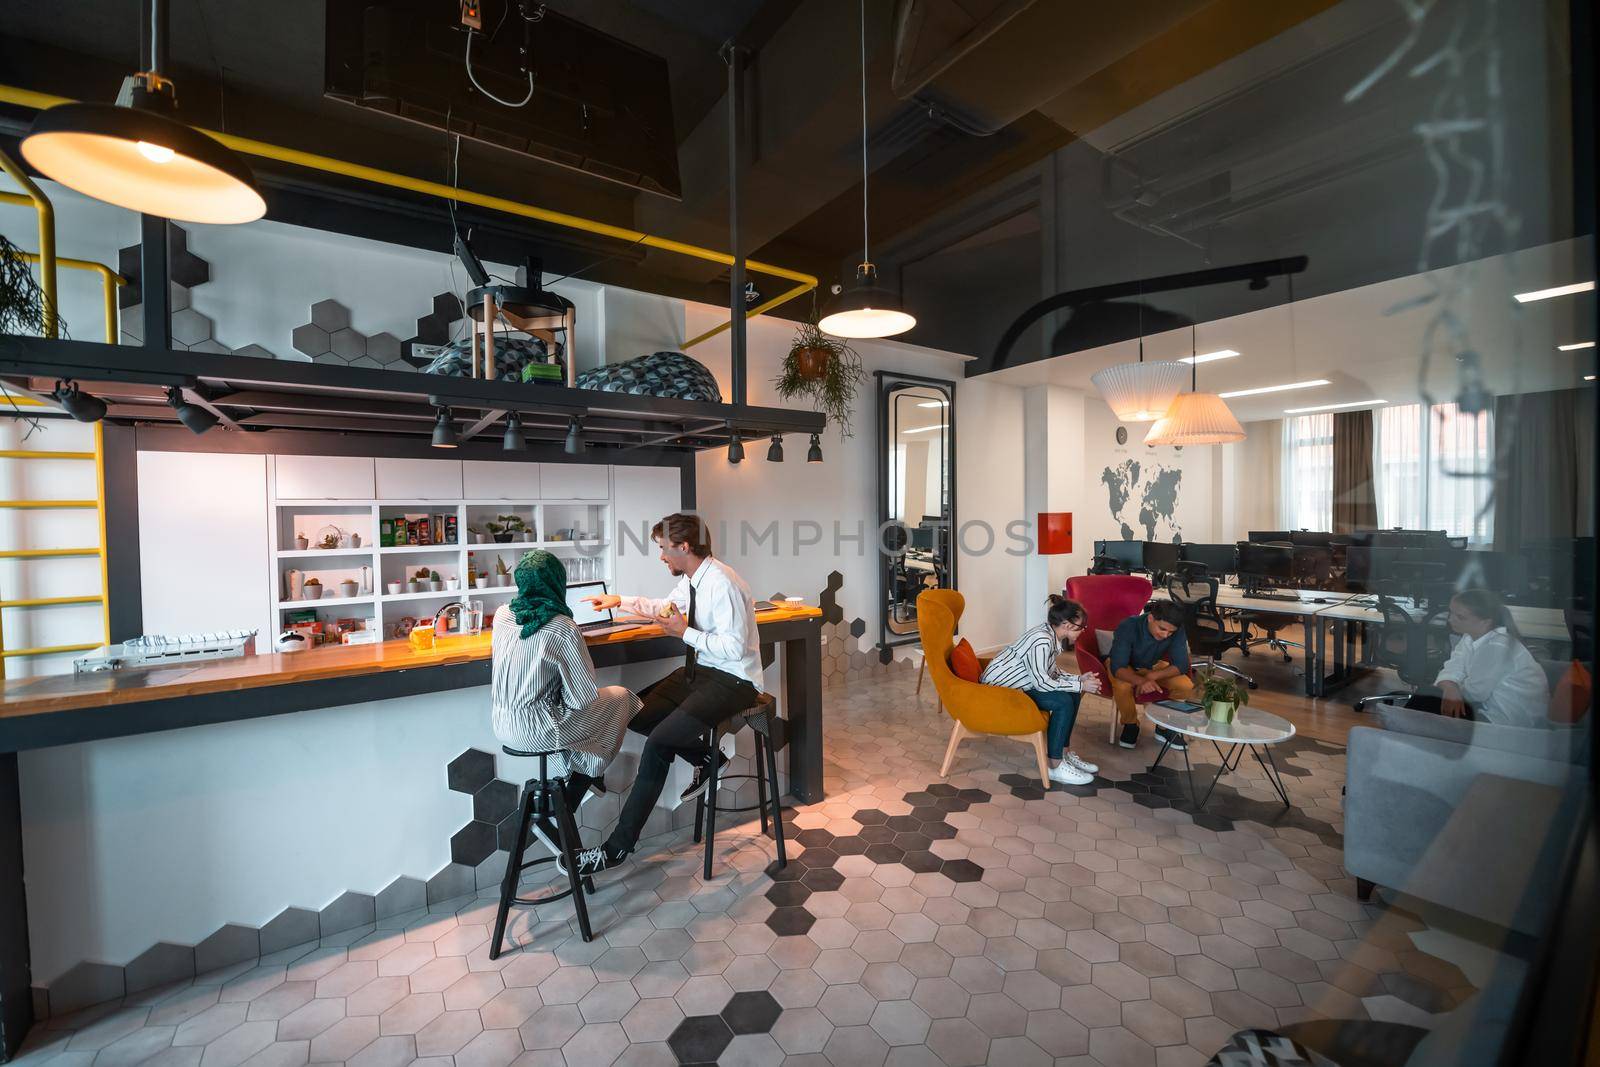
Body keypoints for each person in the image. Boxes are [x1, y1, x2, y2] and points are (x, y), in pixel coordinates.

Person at [567, 513, 761, 874]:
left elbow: (734, 650)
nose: (661, 557)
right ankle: (708, 759)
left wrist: (684, 633)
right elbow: (665, 609)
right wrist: (618, 600)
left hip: (734, 681)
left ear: (683, 546)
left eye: (662, 548)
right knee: (632, 712)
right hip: (703, 672)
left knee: (659, 743)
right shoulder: (693, 579)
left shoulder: (722, 584)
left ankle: (618, 847)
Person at [490, 551, 640, 814]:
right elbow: (581, 699)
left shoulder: (502, 616)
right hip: (537, 730)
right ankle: (584, 779)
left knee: (563, 713)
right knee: (622, 698)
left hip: (501, 723)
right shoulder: (563, 627)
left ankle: (583, 774)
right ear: (557, 582)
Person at [980, 595, 1104, 785]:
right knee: (1063, 702)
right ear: (1067, 624)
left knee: (1072, 694)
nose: (1082, 631)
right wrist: (1080, 684)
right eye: (1081, 627)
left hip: (1021, 684)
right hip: (1001, 690)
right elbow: (1042, 683)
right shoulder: (1042, 641)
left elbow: (1051, 673)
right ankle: (1055, 766)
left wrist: (1079, 679)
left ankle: (1064, 753)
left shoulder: (1049, 636)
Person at [1406, 589, 1549, 727]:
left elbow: (1476, 693)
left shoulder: (1498, 646)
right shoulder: (1469, 636)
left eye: (1460, 617)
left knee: (1426, 698)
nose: (1450, 619)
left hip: (1504, 720)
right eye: (1451, 613)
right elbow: (1452, 667)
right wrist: (1449, 686)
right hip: (1484, 707)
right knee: (1427, 699)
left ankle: (1398, 731)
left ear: (1485, 622)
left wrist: (1450, 688)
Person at [1109, 600, 1196, 749]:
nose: (1165, 635)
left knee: (1186, 686)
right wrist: (1141, 681)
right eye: (1162, 629)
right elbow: (1118, 667)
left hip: (1152, 667)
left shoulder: (1176, 628)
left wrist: (1151, 677)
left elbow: (1181, 665)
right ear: (1150, 618)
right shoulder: (1128, 625)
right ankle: (1130, 725)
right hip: (1125, 667)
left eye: (1170, 632)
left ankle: (1164, 728)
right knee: (1123, 686)